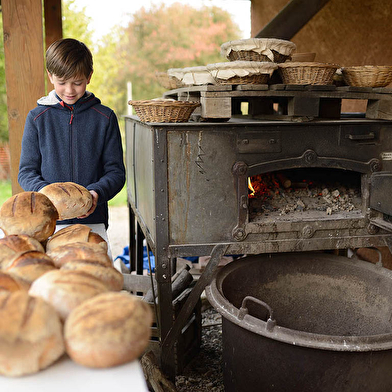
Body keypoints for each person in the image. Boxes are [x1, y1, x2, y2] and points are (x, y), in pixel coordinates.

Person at [18, 38, 125, 230]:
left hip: (94, 222)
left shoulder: (105, 118)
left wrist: (96, 193)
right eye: (62, 82)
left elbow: (116, 172)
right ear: (50, 76)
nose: (69, 90)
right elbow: (26, 172)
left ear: (89, 76)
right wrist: (45, 194)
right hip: (47, 221)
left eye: (77, 82)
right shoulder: (36, 118)